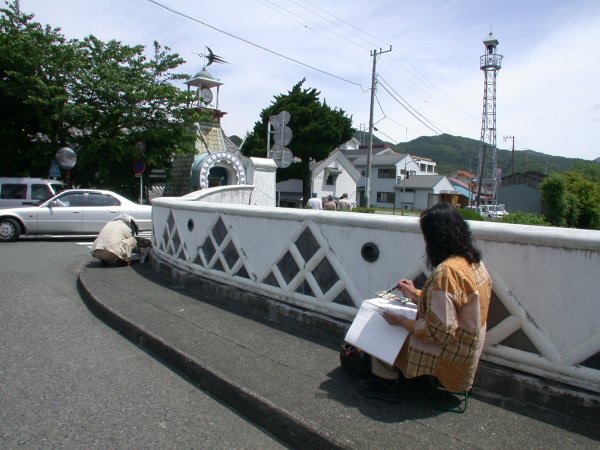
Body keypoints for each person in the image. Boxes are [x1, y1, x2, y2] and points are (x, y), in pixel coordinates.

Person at [359, 202, 492, 403]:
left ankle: (385, 383)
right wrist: (415, 294)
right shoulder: (472, 261)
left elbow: (440, 332)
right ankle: (414, 379)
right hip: (467, 348)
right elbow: (455, 306)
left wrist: (401, 321)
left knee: (382, 326)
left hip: (450, 353)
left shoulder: (446, 273)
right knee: (399, 321)